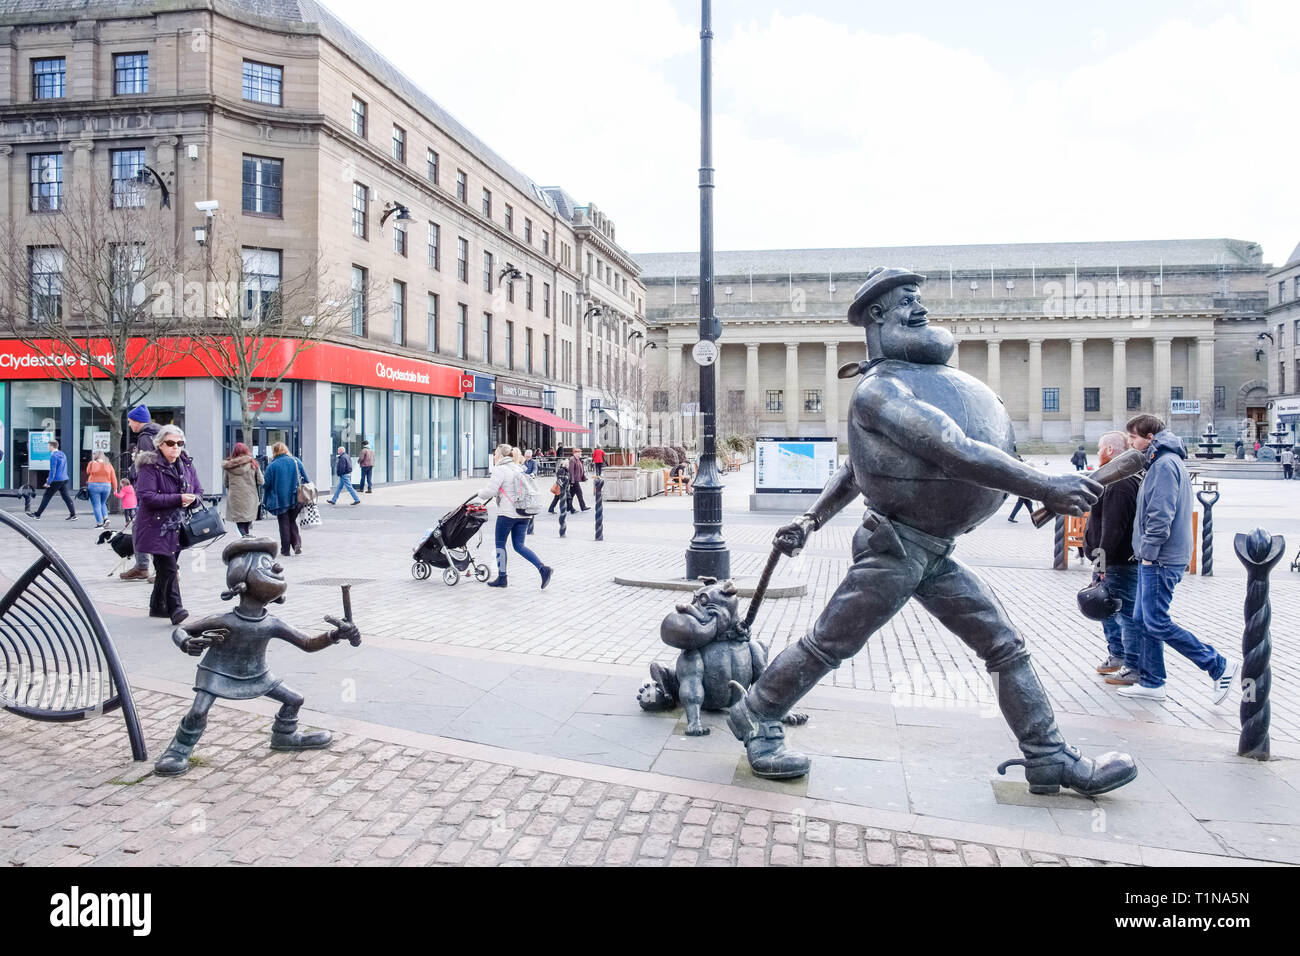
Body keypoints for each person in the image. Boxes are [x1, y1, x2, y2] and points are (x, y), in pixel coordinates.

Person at [725, 267, 1135, 797]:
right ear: (876, 315)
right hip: (895, 547)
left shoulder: (902, 383)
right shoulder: (880, 391)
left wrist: (810, 519)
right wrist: (1045, 487)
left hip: (930, 549)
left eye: (920, 300)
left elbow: (855, 470)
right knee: (829, 644)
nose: (921, 310)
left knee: (1003, 644)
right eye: (906, 302)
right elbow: (952, 447)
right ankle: (756, 714)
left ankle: (1049, 758)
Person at [1117, 414, 1238, 704]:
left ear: (1149, 438)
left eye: (1133, 437)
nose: (1130, 443)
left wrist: (1148, 553)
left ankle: (1218, 665)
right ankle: (1152, 682)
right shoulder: (1161, 462)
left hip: (1160, 558)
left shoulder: (1163, 465)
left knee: (1156, 621)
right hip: (1159, 556)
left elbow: (1160, 515)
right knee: (1142, 619)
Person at [1082, 431, 1144, 685]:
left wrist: (1102, 561)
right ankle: (1118, 656)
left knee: (1125, 613)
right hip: (1114, 560)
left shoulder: (1119, 482)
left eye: (1099, 448)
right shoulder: (1117, 478)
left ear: (1108, 450)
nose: (1098, 452)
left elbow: (1113, 526)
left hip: (1117, 561)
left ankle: (1132, 665)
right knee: (1108, 610)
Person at [134, 424, 202, 626]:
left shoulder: (186, 464)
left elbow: (198, 490)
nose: (176, 448)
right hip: (155, 527)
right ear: (160, 444)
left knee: (164, 569)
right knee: (170, 568)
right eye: (170, 443)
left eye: (179, 444)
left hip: (178, 526)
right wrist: (177, 499)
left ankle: (156, 605)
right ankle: (176, 609)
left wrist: (193, 500)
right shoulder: (150, 465)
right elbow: (146, 497)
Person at [475, 444, 552, 589]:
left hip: (507, 514)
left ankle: (502, 578)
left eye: (496, 453)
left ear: (500, 455)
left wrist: (479, 492)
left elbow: (490, 491)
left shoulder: (500, 469)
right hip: (524, 513)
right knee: (519, 545)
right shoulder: (519, 467)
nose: (495, 456)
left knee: (500, 545)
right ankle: (543, 568)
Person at [121, 404, 161, 580]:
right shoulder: (158, 434)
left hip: (151, 492)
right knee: (144, 527)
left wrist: (135, 462)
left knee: (150, 529)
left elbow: (147, 466)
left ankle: (163, 569)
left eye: (130, 421)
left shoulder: (145, 437)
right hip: (159, 490)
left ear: (138, 422)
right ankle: (143, 566)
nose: (129, 425)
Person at [263, 442, 309, 558]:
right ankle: (297, 544)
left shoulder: (272, 466)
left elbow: (265, 484)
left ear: (274, 451)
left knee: (284, 524)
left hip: (280, 500)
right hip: (297, 498)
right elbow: (307, 479)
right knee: (291, 521)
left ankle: (285, 550)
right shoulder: (296, 461)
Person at [29, 438, 77, 520]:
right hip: (64, 478)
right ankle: (73, 515)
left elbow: (53, 471)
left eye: (48, 446)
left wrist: (48, 482)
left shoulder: (53, 456)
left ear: (52, 446)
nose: (48, 448)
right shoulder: (63, 454)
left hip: (56, 480)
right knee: (66, 497)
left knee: (46, 496)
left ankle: (37, 515)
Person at [222, 442, 264, 536]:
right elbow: (261, 481)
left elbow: (225, 483)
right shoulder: (253, 464)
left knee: (240, 522)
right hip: (250, 497)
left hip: (235, 498)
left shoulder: (229, 466)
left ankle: (245, 539)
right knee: (247, 520)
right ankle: (247, 539)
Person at [85, 450, 118, 527]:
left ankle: (99, 523)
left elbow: (88, 472)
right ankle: (106, 518)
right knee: (103, 503)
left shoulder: (92, 463)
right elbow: (113, 477)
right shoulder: (108, 465)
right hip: (106, 486)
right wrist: (115, 488)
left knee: (96, 505)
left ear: (95, 456)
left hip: (94, 485)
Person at [568, 447, 590, 512]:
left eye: (580, 452)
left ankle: (568, 507)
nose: (581, 453)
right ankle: (582, 507)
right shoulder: (572, 460)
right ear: (575, 453)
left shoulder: (578, 459)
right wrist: (572, 480)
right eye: (579, 452)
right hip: (574, 480)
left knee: (571, 495)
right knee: (579, 493)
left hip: (576, 480)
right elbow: (571, 471)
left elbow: (581, 470)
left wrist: (584, 478)